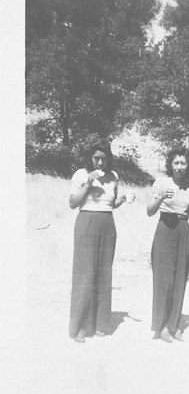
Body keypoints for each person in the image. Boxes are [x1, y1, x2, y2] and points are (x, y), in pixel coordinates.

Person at [68, 139, 135, 343]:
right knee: (85, 274)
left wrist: (123, 199)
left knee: (103, 273)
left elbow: (110, 203)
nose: (100, 163)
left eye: (104, 159)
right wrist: (88, 183)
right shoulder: (81, 174)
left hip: (107, 224)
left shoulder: (113, 176)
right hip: (86, 222)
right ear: (90, 157)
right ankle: (79, 327)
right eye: (96, 158)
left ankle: (100, 323)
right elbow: (72, 203)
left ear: (109, 160)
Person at [147, 146, 189, 342]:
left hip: (183, 230)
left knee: (179, 279)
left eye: (183, 163)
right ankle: (160, 326)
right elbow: (149, 211)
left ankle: (173, 326)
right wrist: (160, 197)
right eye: (176, 163)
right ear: (170, 164)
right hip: (165, 229)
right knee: (163, 279)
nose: (179, 167)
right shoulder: (161, 182)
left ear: (188, 165)